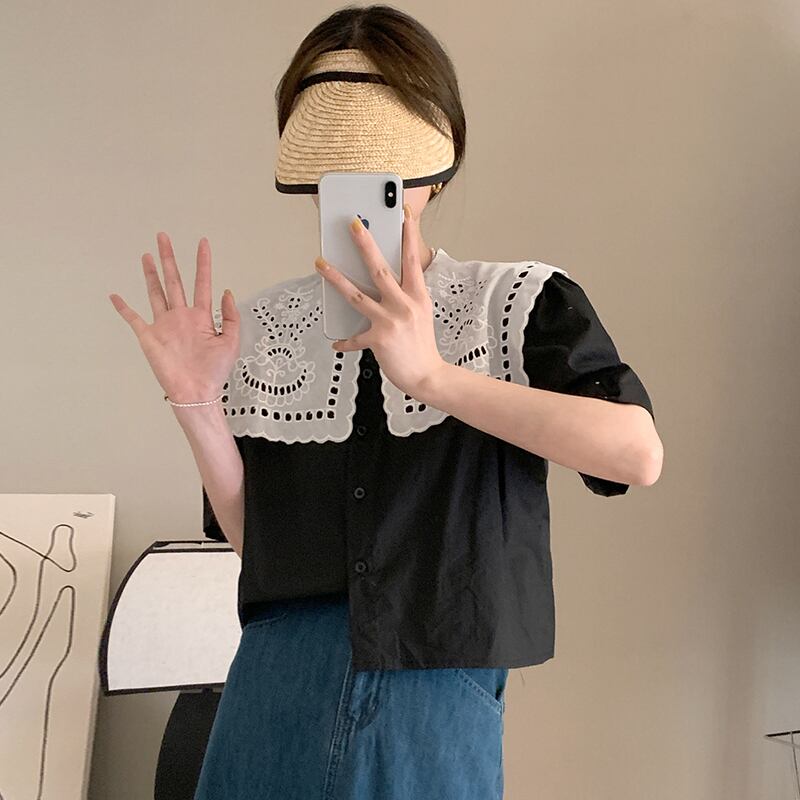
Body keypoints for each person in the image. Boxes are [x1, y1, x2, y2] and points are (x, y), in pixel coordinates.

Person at [109, 6, 663, 799]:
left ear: (437, 172)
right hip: (272, 683)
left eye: (385, 170)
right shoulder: (261, 330)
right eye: (337, 170)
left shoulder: (513, 304)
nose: (361, 194)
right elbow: (255, 544)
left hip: (431, 697)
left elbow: (635, 455)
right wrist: (196, 400)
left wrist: (434, 377)